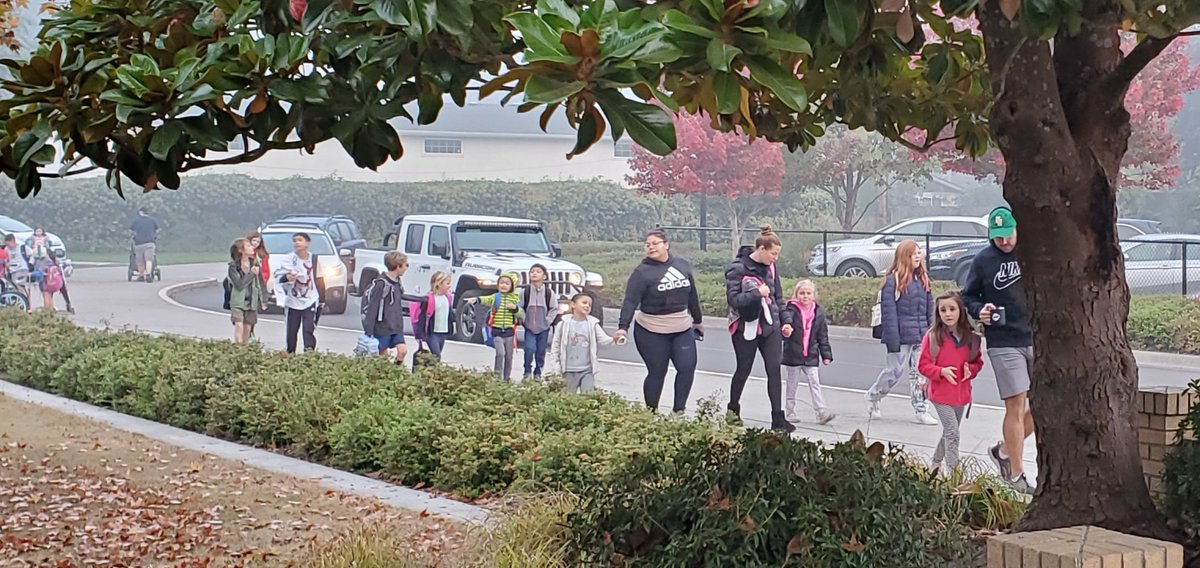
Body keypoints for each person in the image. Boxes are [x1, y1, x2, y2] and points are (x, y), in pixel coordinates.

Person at [963, 206, 1035, 494]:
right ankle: (1017, 475)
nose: (1003, 242)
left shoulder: (1032, 253)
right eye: (997, 237)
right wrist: (980, 310)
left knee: (1043, 406)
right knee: (1016, 405)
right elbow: (968, 295)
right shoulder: (983, 261)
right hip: (1003, 341)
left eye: (1007, 236)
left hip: (1036, 335)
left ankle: (1004, 451)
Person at [613, 229, 703, 415]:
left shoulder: (682, 265)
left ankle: (678, 412)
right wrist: (623, 328)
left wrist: (698, 320)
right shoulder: (642, 272)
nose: (651, 247)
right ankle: (650, 414)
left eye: (655, 243)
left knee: (687, 367)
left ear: (666, 245)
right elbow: (630, 301)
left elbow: (692, 294)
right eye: (647, 244)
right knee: (657, 372)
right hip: (651, 330)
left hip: (681, 328)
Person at [726, 226, 794, 432]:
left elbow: (778, 297)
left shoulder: (771, 268)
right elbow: (734, 299)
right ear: (762, 249)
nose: (775, 258)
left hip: (769, 325)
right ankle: (732, 410)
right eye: (773, 254)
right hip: (746, 326)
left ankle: (778, 418)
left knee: (774, 369)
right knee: (743, 369)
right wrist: (757, 293)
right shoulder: (737, 268)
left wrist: (786, 321)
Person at [865, 239, 938, 426]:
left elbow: (930, 308)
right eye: (914, 253)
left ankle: (921, 409)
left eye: (919, 252)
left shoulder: (923, 279)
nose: (918, 256)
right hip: (900, 334)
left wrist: (932, 332)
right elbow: (889, 312)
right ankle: (874, 395)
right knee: (894, 372)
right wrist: (892, 339)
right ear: (905, 256)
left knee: (920, 373)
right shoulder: (893, 281)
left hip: (921, 334)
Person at [918, 290, 984, 473]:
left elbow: (978, 363)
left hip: (961, 394)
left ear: (960, 311)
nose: (948, 314)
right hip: (940, 394)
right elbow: (923, 365)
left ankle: (935, 463)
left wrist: (970, 370)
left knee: (949, 432)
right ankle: (953, 474)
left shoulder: (971, 339)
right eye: (943, 310)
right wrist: (940, 372)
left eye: (952, 309)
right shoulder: (933, 337)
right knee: (953, 433)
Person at [781, 280, 835, 425]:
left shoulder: (818, 313)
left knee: (815, 382)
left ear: (814, 295)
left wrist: (826, 354)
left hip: (811, 355)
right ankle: (790, 410)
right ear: (796, 294)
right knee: (792, 383)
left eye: (808, 293)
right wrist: (786, 332)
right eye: (802, 293)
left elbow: (822, 335)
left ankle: (821, 412)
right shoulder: (790, 310)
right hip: (793, 354)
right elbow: (784, 329)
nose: (805, 296)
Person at [547, 293, 615, 394]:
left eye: (589, 305)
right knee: (568, 399)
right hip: (568, 370)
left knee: (588, 396)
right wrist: (556, 368)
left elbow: (604, 340)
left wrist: (615, 339)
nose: (587, 306)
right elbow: (555, 347)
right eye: (584, 302)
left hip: (587, 370)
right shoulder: (563, 324)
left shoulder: (593, 324)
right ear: (573, 305)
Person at [467, 273, 523, 381]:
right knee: (500, 353)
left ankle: (506, 378)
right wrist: (477, 299)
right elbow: (486, 299)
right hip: (497, 331)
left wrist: (515, 308)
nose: (504, 285)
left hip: (509, 332)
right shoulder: (496, 297)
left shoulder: (515, 299)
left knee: (508, 357)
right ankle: (497, 377)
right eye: (501, 283)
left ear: (512, 286)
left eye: (507, 283)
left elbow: (521, 314)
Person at [361, 251, 413, 365]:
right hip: (383, 326)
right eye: (405, 265)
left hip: (396, 326)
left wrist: (423, 299)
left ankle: (395, 370)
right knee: (382, 354)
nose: (406, 268)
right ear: (397, 266)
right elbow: (372, 307)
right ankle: (384, 375)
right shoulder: (381, 284)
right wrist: (369, 330)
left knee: (403, 351)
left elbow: (402, 296)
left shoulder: (398, 282)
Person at [274, 232, 321, 354]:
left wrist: (322, 299)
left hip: (310, 299)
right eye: (295, 240)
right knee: (292, 330)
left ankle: (309, 354)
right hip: (293, 301)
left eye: (300, 240)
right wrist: (287, 278)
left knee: (308, 329)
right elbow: (279, 278)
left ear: (307, 243)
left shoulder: (314, 259)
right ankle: (290, 354)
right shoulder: (288, 259)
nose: (297, 243)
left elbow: (320, 279)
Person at [227, 238, 267, 344]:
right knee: (238, 323)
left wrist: (264, 300)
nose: (252, 247)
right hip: (238, 301)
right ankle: (238, 345)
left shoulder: (255, 263)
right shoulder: (233, 266)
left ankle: (245, 348)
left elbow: (261, 282)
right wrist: (251, 274)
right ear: (241, 250)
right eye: (248, 246)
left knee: (248, 326)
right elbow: (239, 284)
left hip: (252, 300)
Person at [521, 263, 557, 380]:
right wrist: (523, 319)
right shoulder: (525, 291)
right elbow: (520, 307)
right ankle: (527, 371)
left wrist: (547, 321)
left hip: (543, 328)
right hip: (529, 327)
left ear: (544, 276)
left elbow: (554, 308)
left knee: (541, 351)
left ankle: (538, 372)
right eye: (532, 272)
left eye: (538, 272)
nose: (534, 274)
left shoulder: (548, 293)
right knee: (529, 348)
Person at [412, 271, 454, 360]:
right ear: (439, 284)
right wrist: (419, 335)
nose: (449, 286)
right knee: (436, 357)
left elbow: (449, 314)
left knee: (435, 357)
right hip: (432, 333)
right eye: (447, 283)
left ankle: (429, 372)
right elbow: (422, 317)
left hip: (443, 332)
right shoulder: (429, 299)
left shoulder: (448, 298)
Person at [129, 208, 159, 283]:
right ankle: (148, 274)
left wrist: (134, 236)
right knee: (148, 259)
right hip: (150, 243)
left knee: (140, 261)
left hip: (139, 243)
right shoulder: (152, 221)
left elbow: (131, 231)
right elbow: (157, 230)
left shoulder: (136, 221)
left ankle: (141, 275)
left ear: (140, 212)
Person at [3, 234, 31, 302]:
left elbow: (31, 255)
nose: (8, 246)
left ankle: (24, 300)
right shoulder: (6, 249)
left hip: (22, 269)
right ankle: (20, 300)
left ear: (13, 240)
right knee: (14, 286)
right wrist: (6, 263)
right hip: (12, 270)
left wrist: (30, 264)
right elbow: (6, 259)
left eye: (9, 244)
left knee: (19, 285)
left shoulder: (23, 247)